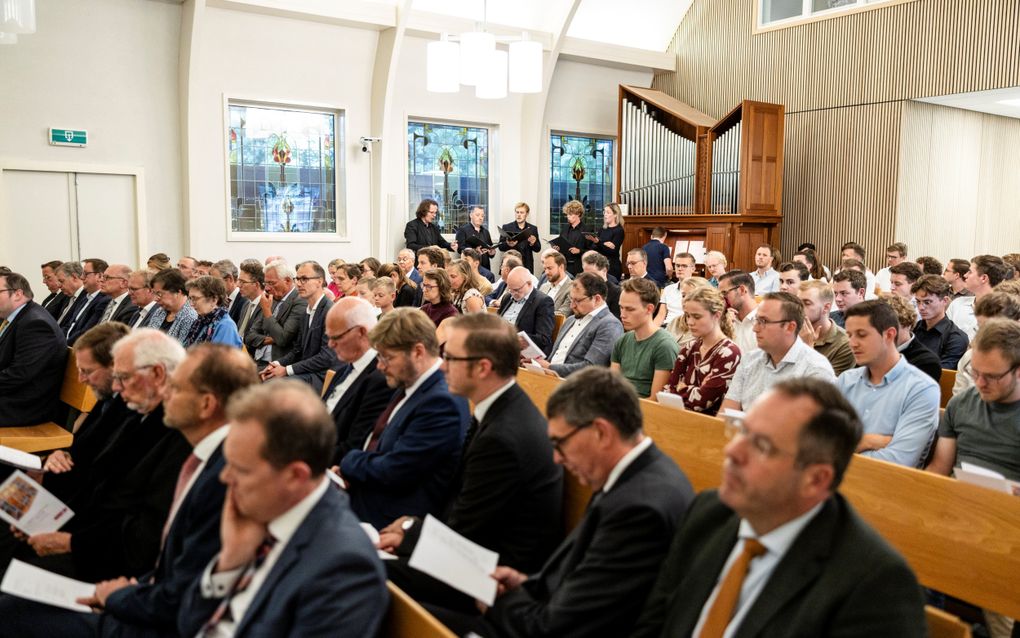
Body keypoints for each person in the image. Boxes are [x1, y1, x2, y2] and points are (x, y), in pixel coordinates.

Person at [631, 378, 926, 638]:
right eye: (741, 431)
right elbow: (653, 623)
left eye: (761, 446)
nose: (732, 451)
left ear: (815, 479)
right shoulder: (710, 512)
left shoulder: (874, 586)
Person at [0, 345, 260, 638]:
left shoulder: (224, 471)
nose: (166, 393)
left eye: (175, 387)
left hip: (147, 607)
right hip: (137, 584)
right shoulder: (197, 449)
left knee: (11, 612)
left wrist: (119, 595)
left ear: (206, 404)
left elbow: (179, 579)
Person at [432, 366, 693, 637]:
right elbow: (584, 578)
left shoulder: (640, 510)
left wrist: (500, 602)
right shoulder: (637, 474)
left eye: (560, 443)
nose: (556, 458)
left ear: (601, 432)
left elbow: (558, 627)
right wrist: (526, 584)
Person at [379, 313, 563, 611]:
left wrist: (411, 530)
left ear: (482, 367)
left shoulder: (503, 437)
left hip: (492, 579)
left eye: (451, 358)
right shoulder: (500, 407)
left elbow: (464, 535)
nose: (443, 365)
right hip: (476, 553)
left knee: (360, 567)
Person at [177, 381, 388, 637]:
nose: (224, 477)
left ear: (295, 476)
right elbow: (187, 624)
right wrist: (229, 563)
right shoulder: (260, 513)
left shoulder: (343, 568)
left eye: (241, 469)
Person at [6, 330, 192, 581]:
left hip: (107, 558)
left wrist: (69, 540)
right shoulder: (136, 402)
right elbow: (90, 466)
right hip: (85, 525)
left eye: (122, 377)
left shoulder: (178, 431)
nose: (116, 386)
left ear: (158, 374)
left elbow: (142, 528)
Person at [339, 308, 470, 530]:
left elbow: (395, 470)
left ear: (418, 352)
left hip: (389, 517)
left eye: (387, 357)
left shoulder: (441, 402)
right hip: (369, 491)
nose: (380, 366)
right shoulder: (413, 381)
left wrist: (349, 463)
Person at [837, 299, 940, 467]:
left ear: (889, 335)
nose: (852, 343)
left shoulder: (921, 389)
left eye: (861, 335)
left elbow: (899, 460)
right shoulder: (846, 380)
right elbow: (820, 442)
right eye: (849, 335)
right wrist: (867, 441)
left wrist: (841, 451)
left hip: (884, 481)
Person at [929, 318, 1020, 482]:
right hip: (958, 492)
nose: (980, 383)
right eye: (975, 373)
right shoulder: (960, 404)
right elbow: (939, 469)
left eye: (991, 376)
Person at [721, 292, 835, 412]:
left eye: (763, 321)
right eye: (757, 320)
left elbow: (809, 422)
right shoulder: (749, 360)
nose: (755, 328)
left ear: (790, 327)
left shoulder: (815, 369)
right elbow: (725, 414)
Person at [321, 298, 391, 463]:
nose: (330, 344)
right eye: (328, 337)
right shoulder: (345, 369)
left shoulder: (380, 379)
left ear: (361, 332)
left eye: (336, 337)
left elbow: (354, 445)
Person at [0, 271, 68, 427]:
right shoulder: (21, 317)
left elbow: (18, 375)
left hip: (23, 407)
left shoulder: (36, 324)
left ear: (17, 294)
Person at [664, 286, 741, 415]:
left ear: (716, 315)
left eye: (697, 317)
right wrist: (694, 390)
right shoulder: (689, 347)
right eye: (687, 316)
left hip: (709, 422)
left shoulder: (729, 352)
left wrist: (682, 388)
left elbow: (701, 402)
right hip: (679, 417)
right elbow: (667, 392)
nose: (690, 322)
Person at [259, 261, 336, 387]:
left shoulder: (330, 311)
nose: (299, 284)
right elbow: (298, 350)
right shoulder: (306, 312)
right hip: (306, 373)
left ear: (319, 281)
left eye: (304, 279)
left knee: (273, 386)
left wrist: (287, 370)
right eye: (298, 279)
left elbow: (326, 357)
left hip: (322, 376)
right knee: (263, 377)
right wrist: (276, 364)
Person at [534, 272, 623, 376]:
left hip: (575, 383)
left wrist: (549, 367)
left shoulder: (609, 325)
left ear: (597, 299)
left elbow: (592, 368)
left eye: (577, 301)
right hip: (548, 377)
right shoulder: (570, 320)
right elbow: (554, 357)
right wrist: (537, 362)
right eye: (571, 299)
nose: (572, 306)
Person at [611, 277, 680, 399]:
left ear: (649, 309)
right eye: (621, 307)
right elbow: (612, 387)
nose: (622, 315)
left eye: (630, 309)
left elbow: (655, 400)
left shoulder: (664, 346)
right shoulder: (622, 341)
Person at [953, 291, 1020, 396]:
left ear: (1015, 324)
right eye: (980, 328)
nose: (984, 334)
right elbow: (959, 399)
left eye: (993, 328)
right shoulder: (969, 358)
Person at [244, 260, 308, 369]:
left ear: (287, 281)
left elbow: (282, 339)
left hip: (278, 364)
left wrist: (267, 312)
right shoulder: (272, 298)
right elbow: (249, 336)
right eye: (266, 283)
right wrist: (272, 339)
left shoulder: (300, 301)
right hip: (257, 360)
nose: (267, 288)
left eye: (271, 283)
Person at [797, 280, 855, 375]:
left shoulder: (845, 344)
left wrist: (807, 349)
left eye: (806, 303)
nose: (799, 308)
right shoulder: (791, 332)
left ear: (826, 308)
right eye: (797, 303)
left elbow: (822, 383)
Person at [912, 274, 969, 369]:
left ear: (945, 301)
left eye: (927, 302)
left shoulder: (956, 338)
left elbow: (941, 373)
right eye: (918, 301)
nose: (921, 307)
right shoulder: (914, 328)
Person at [947, 254, 1011, 340]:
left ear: (983, 278)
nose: (965, 275)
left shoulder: (1005, 311)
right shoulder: (957, 304)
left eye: (970, 272)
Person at [497, 266, 555, 356]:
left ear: (529, 284)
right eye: (510, 289)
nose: (513, 294)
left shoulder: (543, 302)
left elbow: (543, 338)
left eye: (516, 290)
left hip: (519, 351)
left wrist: (514, 338)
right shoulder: (507, 297)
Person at [886, 294, 942, 382]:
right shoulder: (873, 350)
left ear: (908, 324)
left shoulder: (927, 362)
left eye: (891, 328)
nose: (885, 334)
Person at [183, 275, 243, 347]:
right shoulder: (200, 321)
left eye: (195, 298)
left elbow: (221, 354)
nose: (191, 304)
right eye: (190, 298)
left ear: (214, 300)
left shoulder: (226, 326)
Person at [145, 268, 198, 345]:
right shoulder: (159, 312)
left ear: (178, 292)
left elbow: (182, 349)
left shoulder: (190, 317)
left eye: (159, 294)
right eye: (154, 293)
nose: (156, 299)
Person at [719, 270, 759, 354]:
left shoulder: (766, 322)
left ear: (742, 290)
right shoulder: (726, 320)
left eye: (724, 293)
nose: (721, 299)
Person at [498, 202, 541, 273]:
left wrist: (533, 243)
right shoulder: (507, 227)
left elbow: (538, 249)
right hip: (510, 264)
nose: (519, 215)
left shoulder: (533, 229)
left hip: (527, 265)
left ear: (527, 214)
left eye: (522, 212)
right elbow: (500, 247)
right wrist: (508, 244)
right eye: (517, 212)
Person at [553, 200, 590, 276]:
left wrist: (579, 251)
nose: (568, 216)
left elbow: (592, 251)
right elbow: (560, 243)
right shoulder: (565, 228)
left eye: (570, 214)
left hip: (580, 267)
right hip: (565, 265)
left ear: (578, 214)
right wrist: (557, 248)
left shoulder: (586, 229)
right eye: (567, 214)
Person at [590, 202, 626, 280]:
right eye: (604, 212)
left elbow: (612, 251)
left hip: (612, 267)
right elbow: (593, 247)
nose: (605, 214)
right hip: (600, 265)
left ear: (615, 214)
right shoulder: (602, 229)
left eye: (608, 212)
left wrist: (599, 243)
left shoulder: (619, 230)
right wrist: (603, 244)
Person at [582, 250, 621, 319]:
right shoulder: (583, 289)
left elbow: (614, 320)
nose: (588, 278)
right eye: (586, 275)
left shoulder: (616, 292)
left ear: (604, 270)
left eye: (593, 274)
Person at [455, 205, 496, 270]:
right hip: (469, 268)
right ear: (471, 215)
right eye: (477, 215)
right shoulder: (462, 230)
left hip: (485, 267)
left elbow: (490, 248)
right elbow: (459, 248)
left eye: (482, 216)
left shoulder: (486, 232)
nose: (480, 218)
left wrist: (492, 253)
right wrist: (474, 251)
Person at [661, 252, 696, 325]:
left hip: (687, 326)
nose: (680, 269)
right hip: (667, 326)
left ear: (693, 269)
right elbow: (660, 315)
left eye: (684, 266)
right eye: (677, 265)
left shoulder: (699, 290)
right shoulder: (668, 289)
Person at [211, 259, 247, 325]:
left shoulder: (244, 301)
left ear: (229, 279)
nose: (212, 285)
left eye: (215, 281)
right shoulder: (222, 300)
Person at [539, 251, 572, 316]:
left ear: (561, 267)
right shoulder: (544, 287)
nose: (546, 272)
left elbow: (561, 315)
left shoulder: (572, 288)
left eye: (549, 268)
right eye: (545, 269)